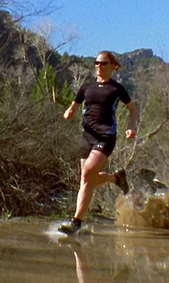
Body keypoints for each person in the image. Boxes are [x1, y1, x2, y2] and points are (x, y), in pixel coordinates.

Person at [58, 50, 139, 235]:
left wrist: (131, 126)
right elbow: (73, 106)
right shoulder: (86, 87)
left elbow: (132, 109)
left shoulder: (117, 89)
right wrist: (69, 112)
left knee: (87, 173)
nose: (99, 66)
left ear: (113, 66)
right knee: (87, 180)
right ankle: (116, 178)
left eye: (103, 63)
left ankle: (76, 222)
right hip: (87, 136)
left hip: (106, 136)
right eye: (96, 63)